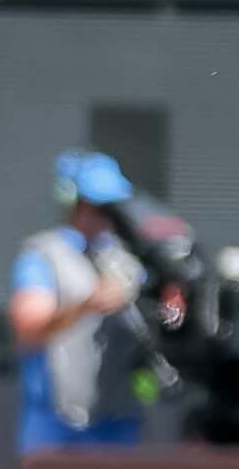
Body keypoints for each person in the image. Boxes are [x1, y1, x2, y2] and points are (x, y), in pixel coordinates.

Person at [11, 150, 150, 453]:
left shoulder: (130, 258)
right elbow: (27, 330)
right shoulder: (43, 255)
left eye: (109, 207)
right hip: (56, 426)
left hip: (118, 423)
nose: (101, 216)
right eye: (92, 205)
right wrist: (86, 304)